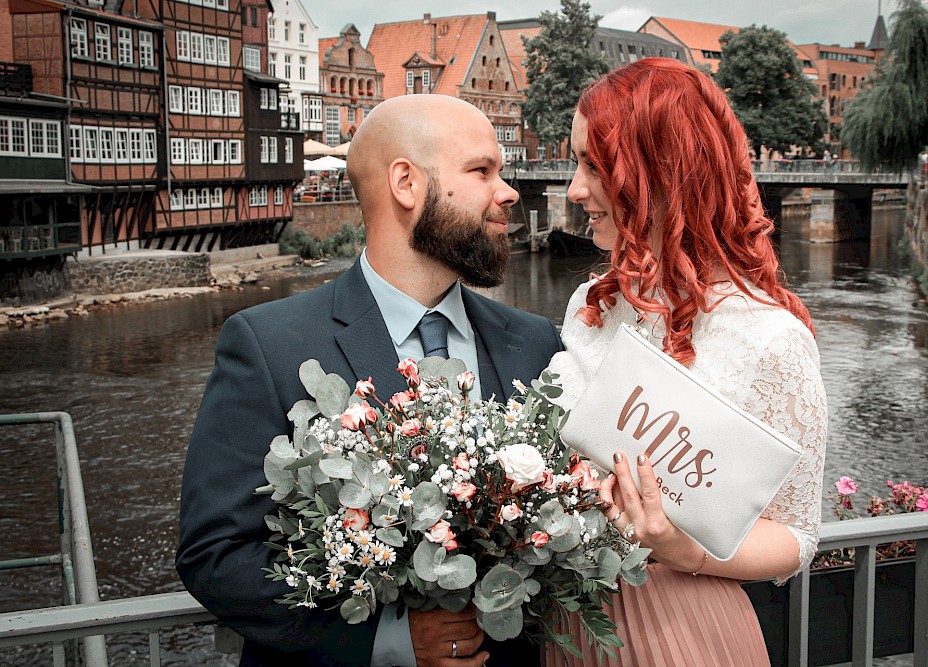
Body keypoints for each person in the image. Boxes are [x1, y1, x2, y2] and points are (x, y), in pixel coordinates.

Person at [176, 94, 562, 667]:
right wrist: (388, 640)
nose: (508, 193)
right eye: (482, 171)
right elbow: (216, 553)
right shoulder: (269, 344)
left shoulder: (534, 343)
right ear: (405, 183)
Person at [543, 58, 828, 666]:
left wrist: (681, 547)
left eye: (594, 164)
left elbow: (797, 536)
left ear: (663, 174)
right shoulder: (595, 305)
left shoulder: (770, 339)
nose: (573, 187)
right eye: (577, 162)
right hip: (571, 625)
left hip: (678, 628)